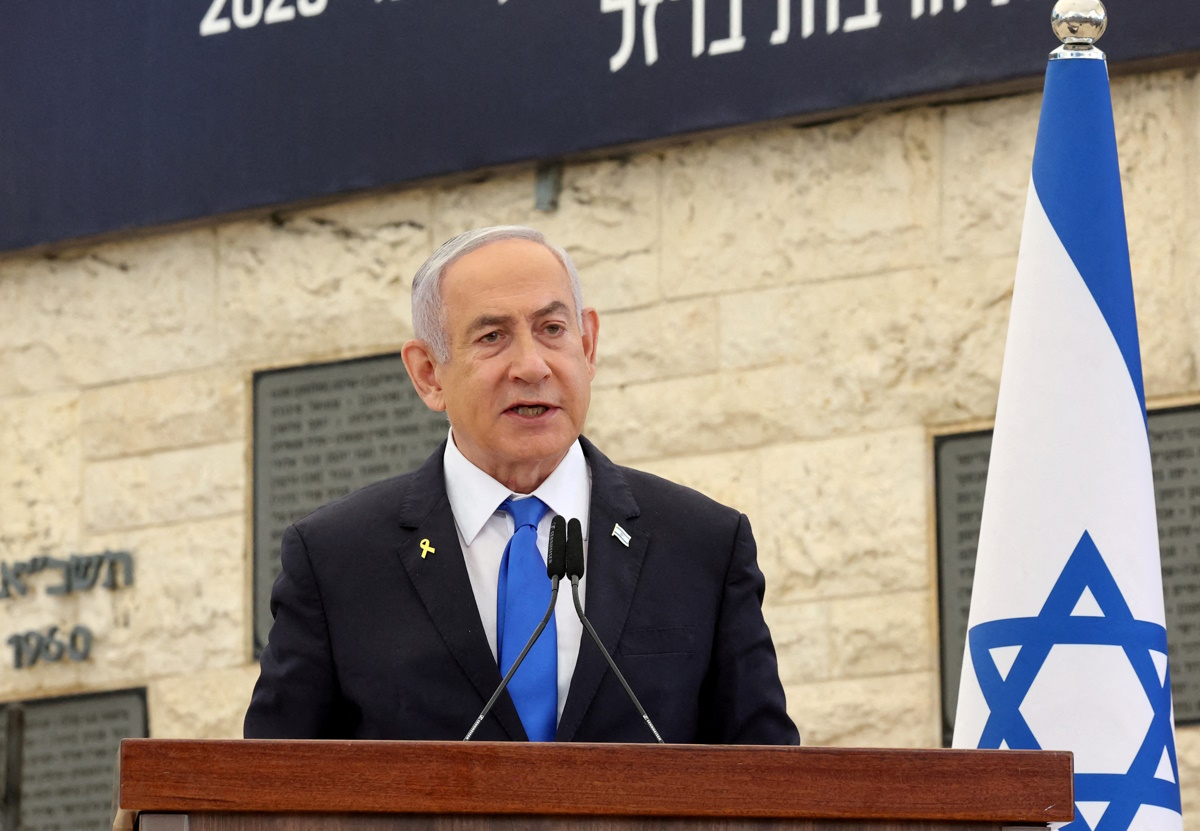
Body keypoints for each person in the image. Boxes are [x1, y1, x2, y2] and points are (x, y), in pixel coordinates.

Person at [244, 226, 799, 744]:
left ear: (589, 345)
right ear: (428, 374)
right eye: (492, 336)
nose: (531, 366)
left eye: (553, 330)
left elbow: (769, 786)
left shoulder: (703, 544)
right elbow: (268, 792)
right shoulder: (335, 560)